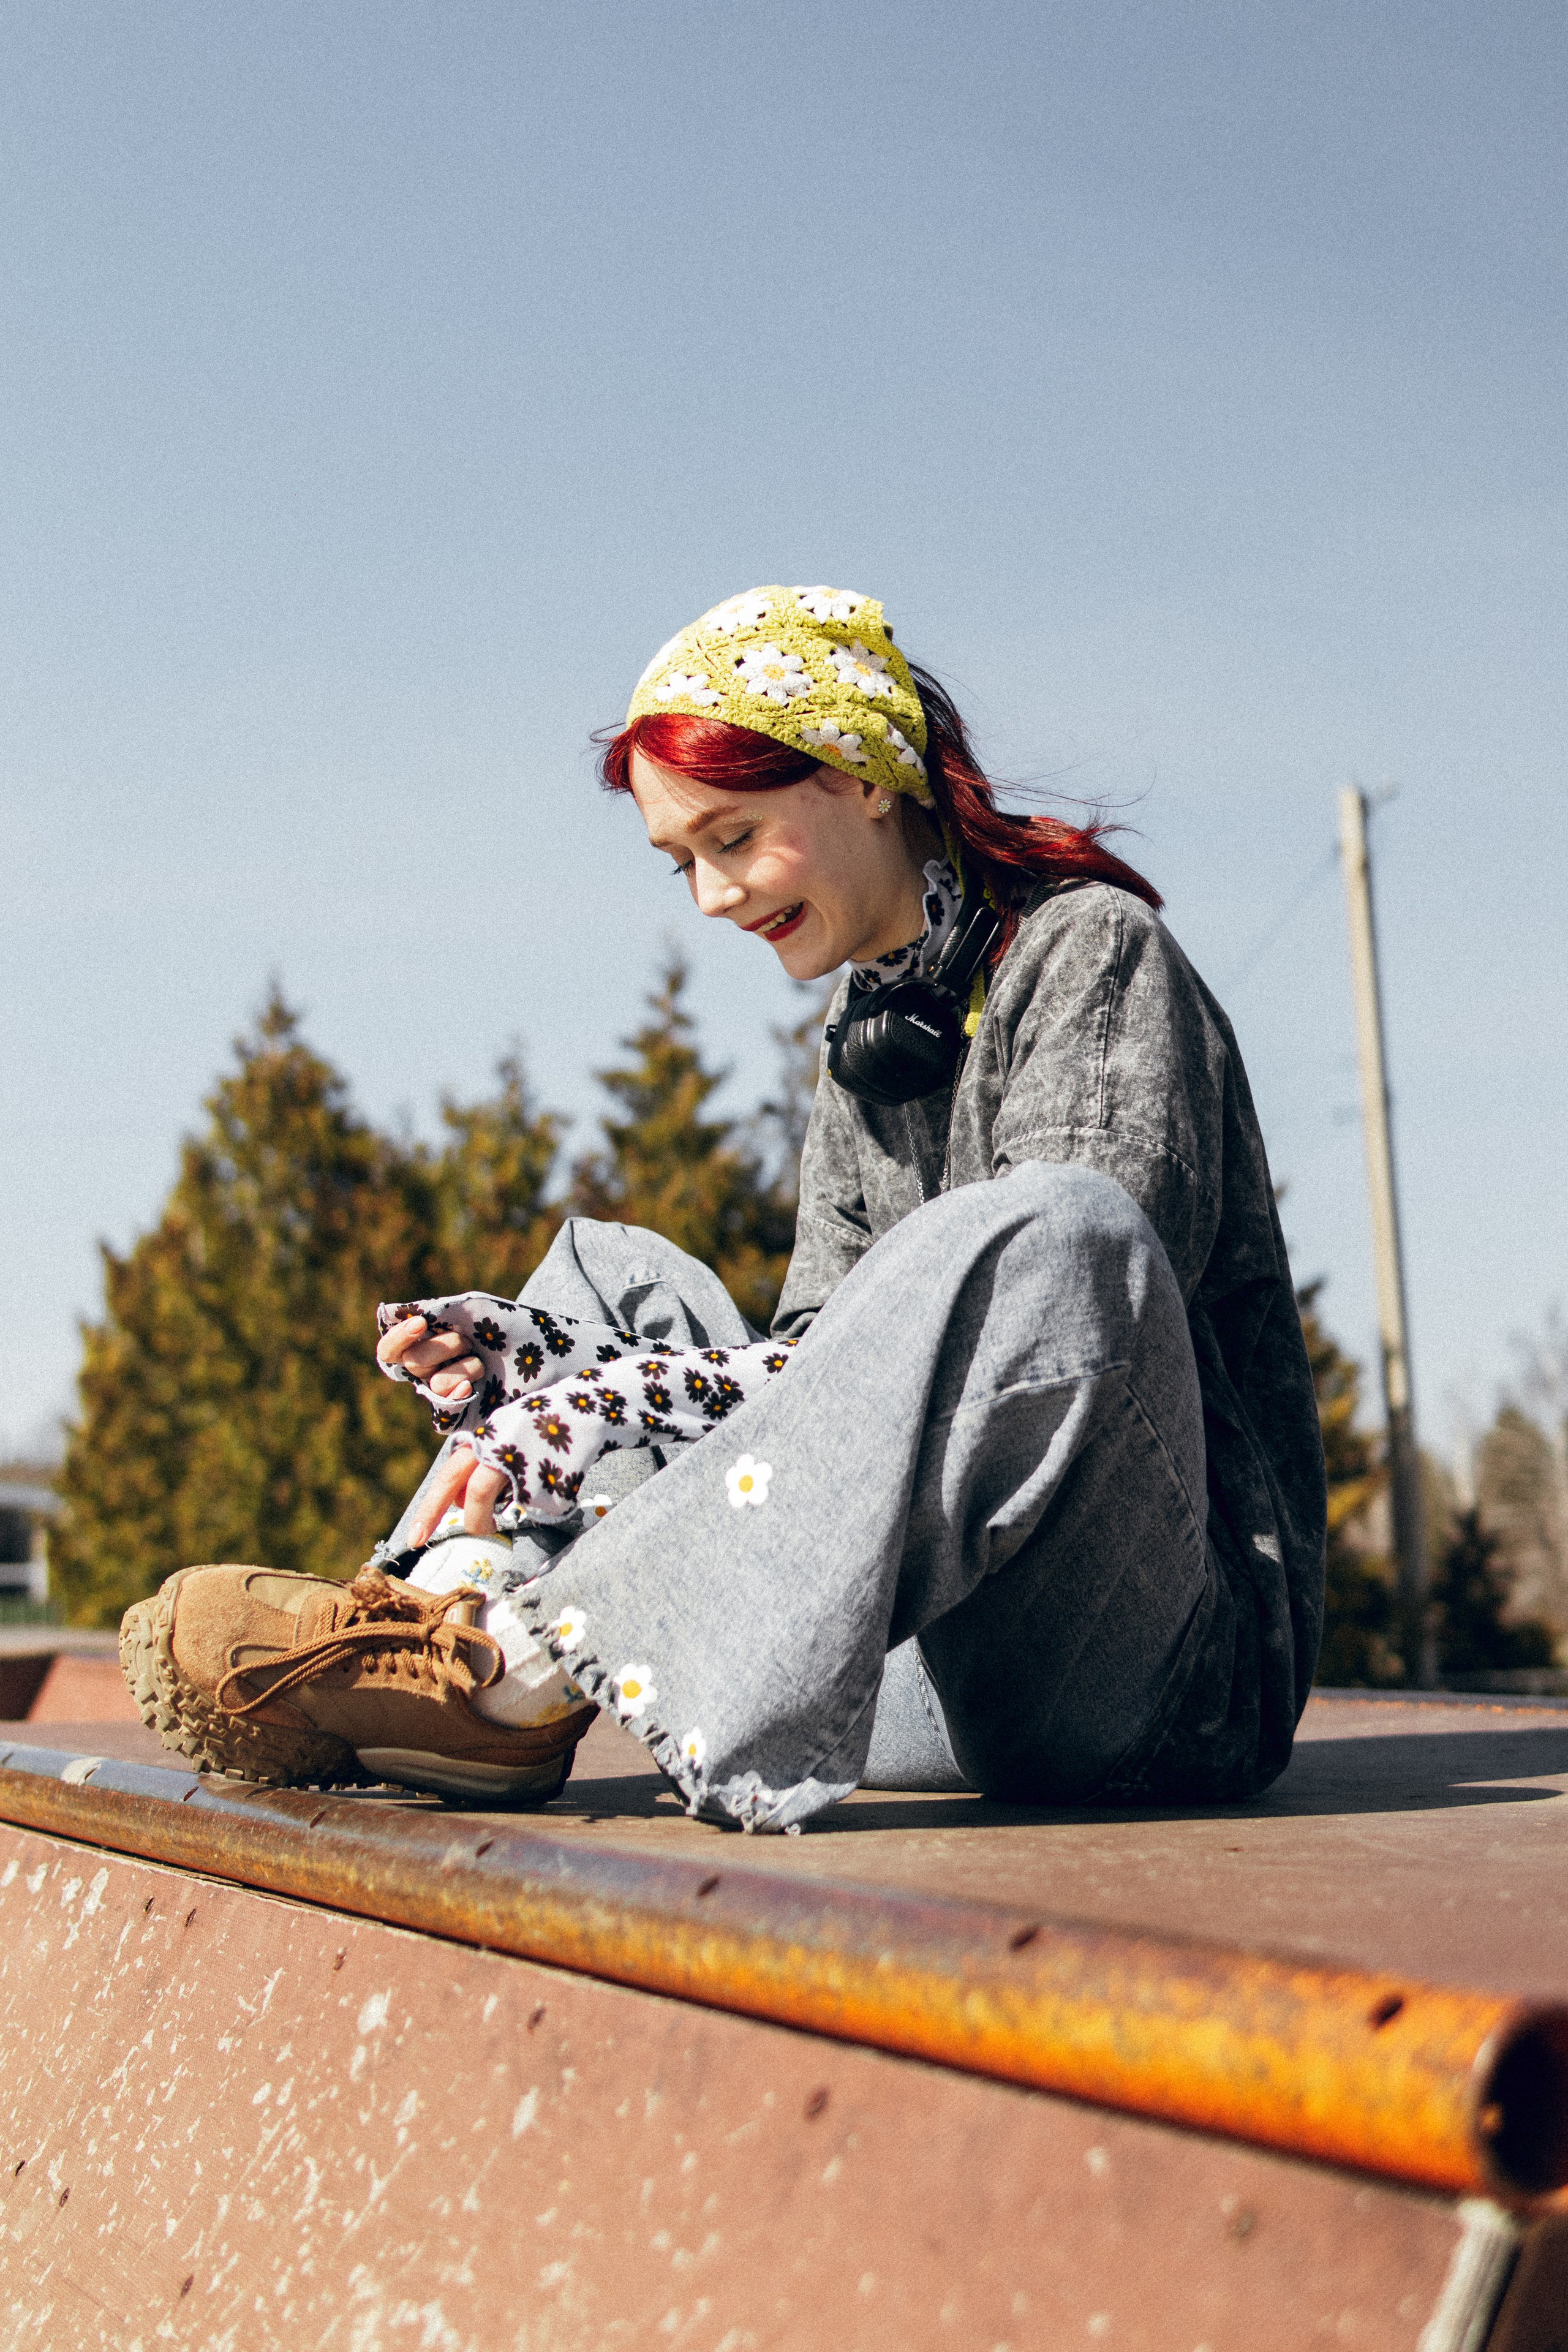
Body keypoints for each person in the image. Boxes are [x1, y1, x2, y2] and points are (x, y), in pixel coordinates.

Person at [122, 584, 1326, 1832]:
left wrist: (618, 1404)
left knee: (1060, 1229)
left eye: (733, 837)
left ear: (861, 776)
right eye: (681, 862)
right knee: (610, 1276)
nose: (710, 896)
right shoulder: (866, 1031)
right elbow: (809, 1373)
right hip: (915, 1670)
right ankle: (449, 1633)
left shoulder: (1095, 954)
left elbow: (1078, 1329)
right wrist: (556, 1365)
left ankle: (521, 1671)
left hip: (1147, 1687)